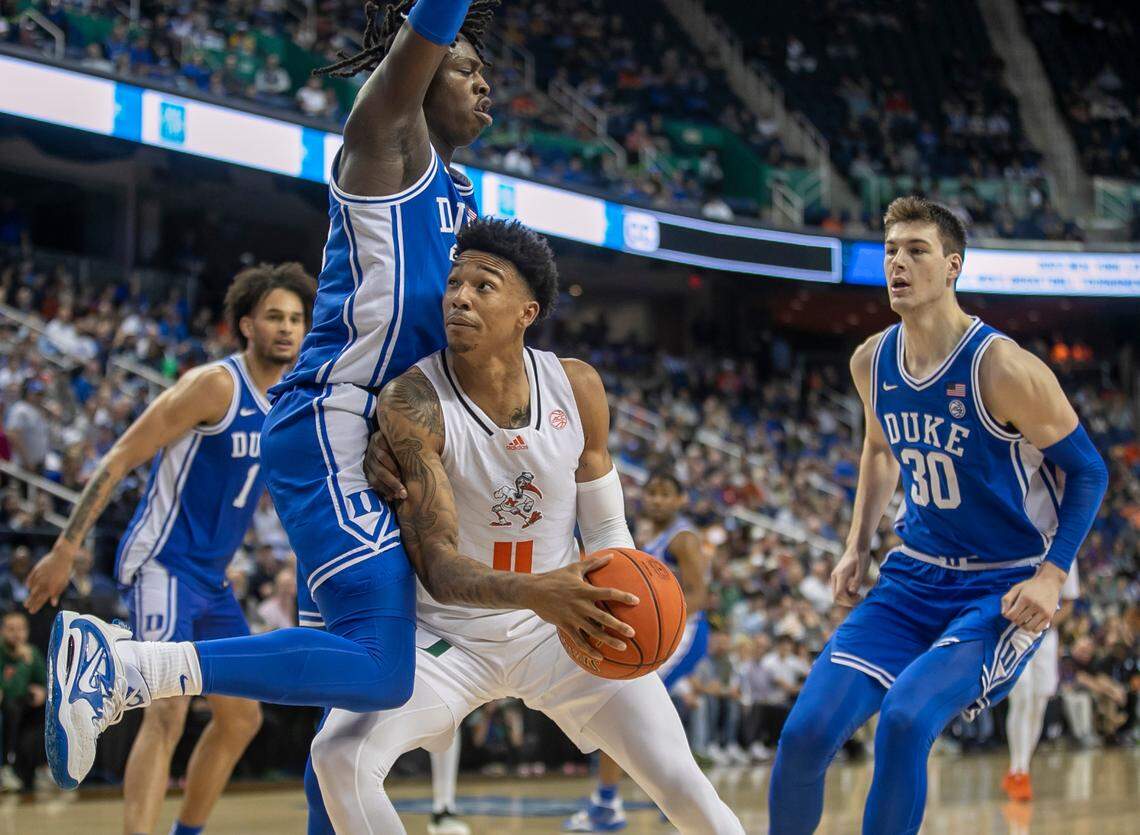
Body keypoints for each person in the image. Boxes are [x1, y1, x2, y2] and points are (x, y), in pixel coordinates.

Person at [43, 3, 631, 806]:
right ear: (417, 73)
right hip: (332, 418)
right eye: (463, 66)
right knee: (383, 670)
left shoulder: (461, 200)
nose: (485, 80)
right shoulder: (383, 147)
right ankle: (124, 664)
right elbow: (417, 47)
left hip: (385, 434)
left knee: (346, 715)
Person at [309, 215, 743, 834]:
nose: (460, 295)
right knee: (338, 757)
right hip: (450, 637)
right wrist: (541, 593)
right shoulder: (414, 401)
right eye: (454, 283)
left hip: (561, 629)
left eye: (484, 286)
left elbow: (608, 535)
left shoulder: (578, 386)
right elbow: (440, 566)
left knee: (684, 784)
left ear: (526, 311)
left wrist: (613, 606)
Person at [768, 196, 1108, 834]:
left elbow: (1090, 470)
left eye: (917, 250)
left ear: (952, 266)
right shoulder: (871, 360)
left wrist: (1053, 574)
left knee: (904, 719)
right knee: (806, 733)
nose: (899, 262)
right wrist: (856, 546)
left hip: (1000, 586)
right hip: (913, 578)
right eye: (892, 249)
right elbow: (878, 449)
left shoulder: (1002, 367)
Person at [28, 264, 315, 833]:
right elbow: (121, 457)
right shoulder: (214, 385)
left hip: (209, 577)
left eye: (297, 319)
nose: (287, 328)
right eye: (275, 317)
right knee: (167, 707)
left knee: (241, 720)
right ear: (245, 325)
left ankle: (187, 831)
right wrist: (66, 546)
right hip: (161, 561)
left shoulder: (287, 402)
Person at [564, 470, 711, 831]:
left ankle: (607, 802)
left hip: (684, 631)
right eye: (653, 492)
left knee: (618, 698)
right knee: (637, 709)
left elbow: (699, 594)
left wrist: (657, 621)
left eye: (666, 493)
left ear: (680, 500)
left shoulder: (684, 539)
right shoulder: (645, 535)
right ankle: (672, 791)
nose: (658, 500)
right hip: (656, 632)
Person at [1003, 563, 1079, 801]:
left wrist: (1044, 619)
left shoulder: (1068, 550)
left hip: (1046, 637)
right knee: (1022, 696)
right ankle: (1018, 770)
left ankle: (1022, 768)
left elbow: (1069, 602)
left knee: (1038, 704)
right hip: (1013, 632)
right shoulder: (1017, 538)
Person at [0, 610, 46, 795]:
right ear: (2, 631)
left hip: (24, 704)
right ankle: (6, 768)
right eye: (11, 629)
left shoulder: (32, 652)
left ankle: (42, 768)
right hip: (7, 705)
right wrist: (22, 664)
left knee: (47, 710)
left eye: (20, 629)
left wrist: (42, 691)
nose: (17, 634)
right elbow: (10, 689)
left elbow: (44, 681)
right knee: (12, 708)